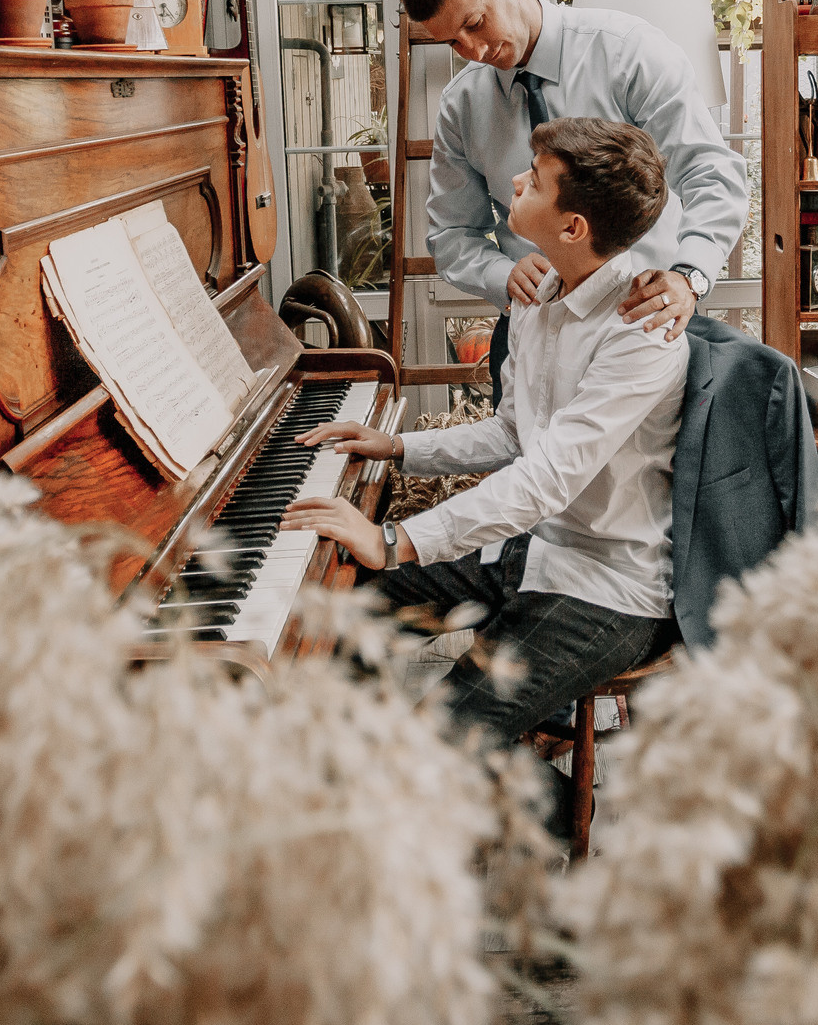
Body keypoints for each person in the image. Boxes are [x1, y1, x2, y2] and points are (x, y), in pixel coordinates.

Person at [286, 117, 687, 744]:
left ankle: (477, 789)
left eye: (536, 180)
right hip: (538, 551)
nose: (517, 180)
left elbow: (546, 480)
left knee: (445, 740)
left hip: (610, 588)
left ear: (573, 228)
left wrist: (395, 540)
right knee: (341, 606)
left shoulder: (642, 332)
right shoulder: (540, 294)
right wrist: (398, 447)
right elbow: (511, 435)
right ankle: (342, 761)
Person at [400, 0, 747, 389]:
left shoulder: (629, 51)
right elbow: (450, 234)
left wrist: (688, 276)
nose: (476, 51)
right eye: (454, 43)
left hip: (644, 323)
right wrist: (502, 273)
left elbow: (711, 173)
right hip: (530, 332)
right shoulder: (461, 104)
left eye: (477, 22)